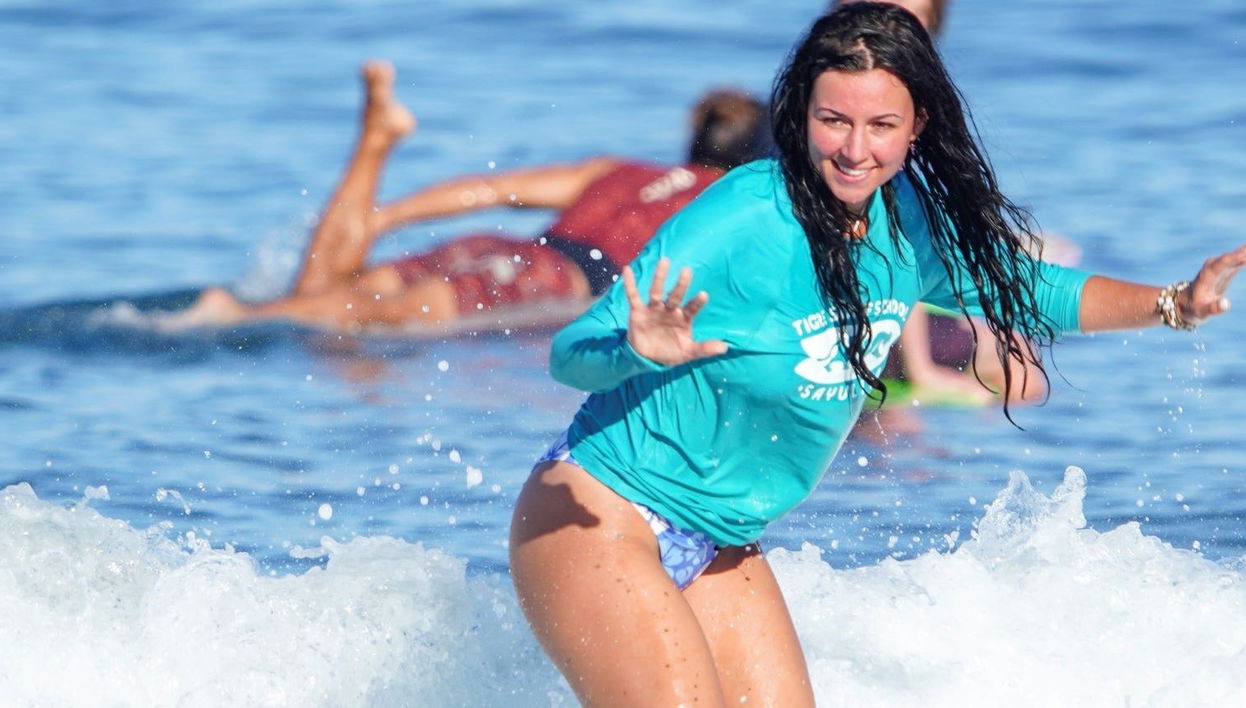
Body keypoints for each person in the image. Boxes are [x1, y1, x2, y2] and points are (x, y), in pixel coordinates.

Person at [508, 4, 1246, 705]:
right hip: (600, 514)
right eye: (833, 121)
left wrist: (1174, 303)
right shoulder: (746, 213)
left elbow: (1030, 287)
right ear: (801, 117)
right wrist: (638, 350)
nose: (855, 150)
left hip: (721, 540)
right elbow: (573, 354)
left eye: (880, 125)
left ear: (916, 125)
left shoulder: (910, 228)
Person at [180, 61, 767, 331]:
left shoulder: (616, 170)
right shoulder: (734, 196)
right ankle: (237, 316)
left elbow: (493, 189)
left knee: (338, 294)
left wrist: (388, 218)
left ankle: (375, 143)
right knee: (389, 316)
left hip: (501, 245)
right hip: (552, 277)